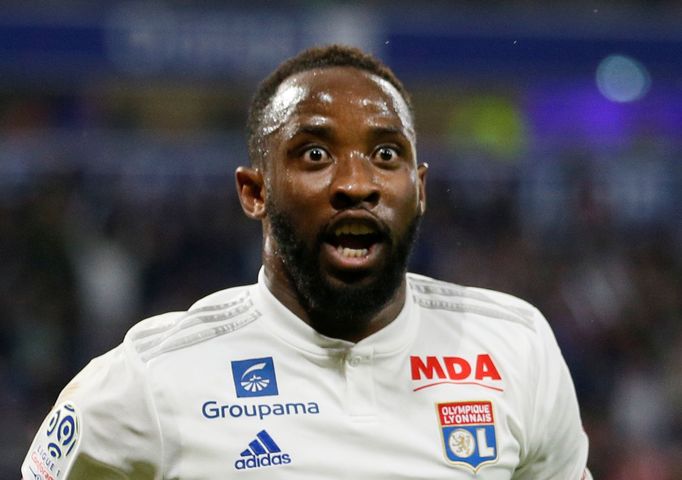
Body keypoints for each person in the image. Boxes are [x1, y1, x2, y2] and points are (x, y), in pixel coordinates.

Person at [22, 44, 591, 479]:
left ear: (418, 189)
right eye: (315, 153)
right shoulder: (150, 380)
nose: (356, 182)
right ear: (255, 191)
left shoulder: (516, 348)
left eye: (385, 153)